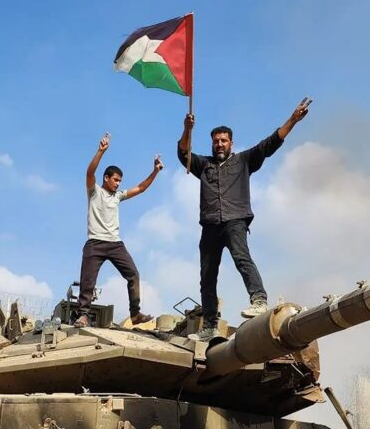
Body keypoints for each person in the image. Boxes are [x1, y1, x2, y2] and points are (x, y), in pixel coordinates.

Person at [177, 98, 312, 341]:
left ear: (231, 143)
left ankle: (259, 300)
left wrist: (292, 120)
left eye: (223, 141)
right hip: (209, 224)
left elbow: (270, 144)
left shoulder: (243, 161)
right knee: (207, 277)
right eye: (216, 141)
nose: (219, 144)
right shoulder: (203, 165)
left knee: (242, 258)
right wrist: (187, 129)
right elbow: (183, 153)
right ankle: (209, 326)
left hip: (234, 219)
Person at [76, 133, 162, 328]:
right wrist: (101, 151)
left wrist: (155, 171)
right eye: (115, 180)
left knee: (133, 274)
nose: (118, 184)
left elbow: (140, 188)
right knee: (87, 281)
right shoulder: (94, 191)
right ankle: (83, 315)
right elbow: (89, 173)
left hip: (115, 244)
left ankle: (135, 313)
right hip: (95, 243)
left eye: (120, 181)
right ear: (106, 178)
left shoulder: (118, 196)